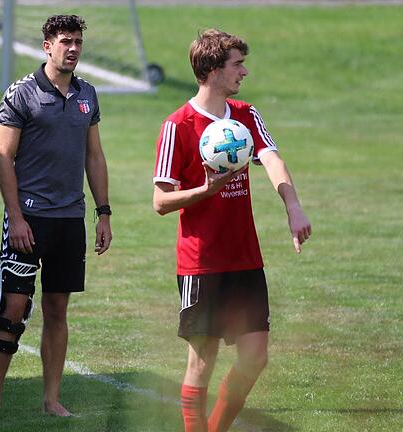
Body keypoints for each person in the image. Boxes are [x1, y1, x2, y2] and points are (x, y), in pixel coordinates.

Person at [152, 29, 311, 432]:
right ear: (211, 69)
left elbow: (271, 158)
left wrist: (292, 206)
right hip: (202, 264)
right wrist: (205, 190)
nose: (245, 71)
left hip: (245, 258)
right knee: (201, 361)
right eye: (237, 64)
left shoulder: (245, 114)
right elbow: (160, 201)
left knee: (255, 356)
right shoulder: (178, 125)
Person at [0, 14, 112, 422]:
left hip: (69, 220)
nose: (72, 48)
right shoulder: (21, 94)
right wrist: (15, 218)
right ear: (47, 46)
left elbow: (94, 155)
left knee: (58, 311)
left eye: (77, 42)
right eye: (65, 41)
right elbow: (3, 159)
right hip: (29, 220)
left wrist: (102, 212)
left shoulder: (87, 94)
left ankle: (51, 399)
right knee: (14, 309)